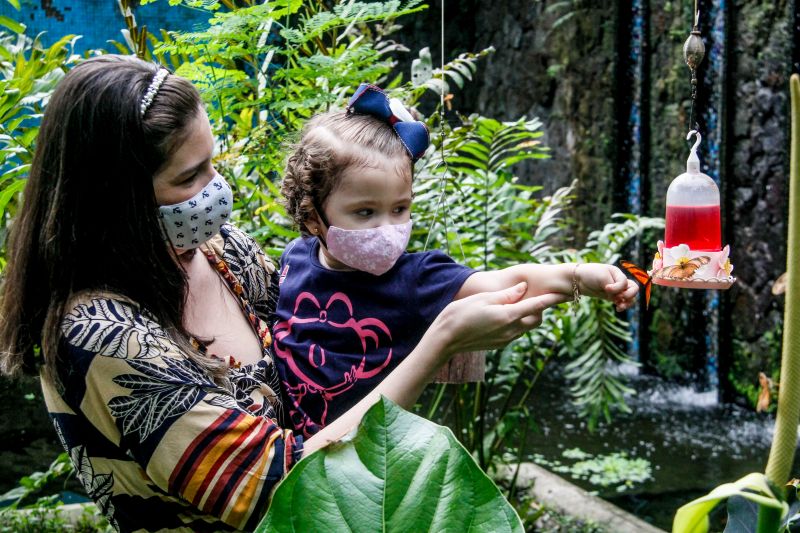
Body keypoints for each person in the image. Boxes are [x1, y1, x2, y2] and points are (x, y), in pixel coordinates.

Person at [0, 56, 574, 532]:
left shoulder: (220, 250)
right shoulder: (101, 334)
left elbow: (330, 336)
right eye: (189, 177)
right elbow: (287, 491)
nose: (214, 191)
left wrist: (450, 298)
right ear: (114, 196)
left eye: (213, 165)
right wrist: (441, 341)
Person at [275, 83, 639, 437]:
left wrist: (579, 278)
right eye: (366, 212)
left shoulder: (417, 278)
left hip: (362, 467)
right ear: (311, 216)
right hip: (288, 455)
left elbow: (506, 282)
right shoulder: (295, 259)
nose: (388, 228)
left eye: (400, 208)